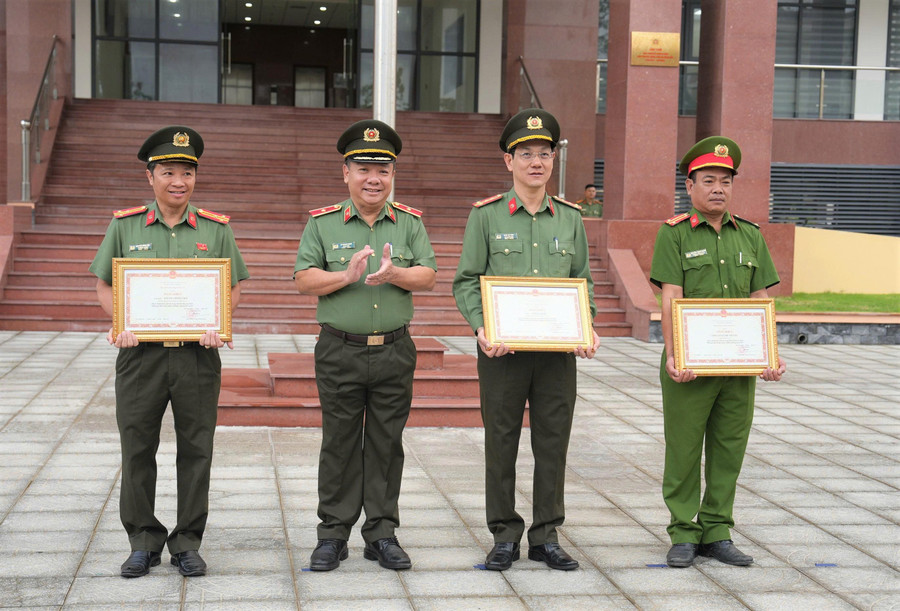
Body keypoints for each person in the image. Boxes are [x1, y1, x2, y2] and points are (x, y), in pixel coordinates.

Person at [89, 126, 250, 578]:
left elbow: (233, 288)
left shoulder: (216, 229)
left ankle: (187, 542)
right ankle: (143, 540)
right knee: (136, 448)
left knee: (197, 449)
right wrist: (121, 322)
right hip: (140, 357)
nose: (179, 181)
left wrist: (219, 323)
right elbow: (104, 285)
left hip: (197, 357)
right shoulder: (125, 226)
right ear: (150, 176)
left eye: (187, 173)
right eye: (168, 172)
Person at [453, 108, 601, 572]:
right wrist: (482, 327)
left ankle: (546, 536)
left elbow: (583, 281)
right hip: (503, 353)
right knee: (501, 443)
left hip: (557, 355)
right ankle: (503, 534)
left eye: (544, 154)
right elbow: (466, 280)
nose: (536, 162)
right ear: (508, 161)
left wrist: (587, 324)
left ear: (553, 160)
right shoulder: (486, 216)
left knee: (553, 444)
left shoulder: (570, 218)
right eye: (526, 154)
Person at [294, 119, 437, 572]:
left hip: (394, 349)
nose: (374, 179)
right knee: (339, 442)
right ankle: (333, 535)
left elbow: (428, 276)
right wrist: (346, 276)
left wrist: (396, 274)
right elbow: (304, 279)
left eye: (383, 170)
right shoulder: (322, 223)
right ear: (346, 173)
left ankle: (381, 534)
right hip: (340, 350)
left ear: (392, 174)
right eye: (364, 169)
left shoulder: (409, 223)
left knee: (386, 443)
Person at [649, 136, 786, 569]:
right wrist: (674, 355)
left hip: (738, 365)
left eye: (725, 181)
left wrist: (769, 354)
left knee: (729, 449)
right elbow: (670, 297)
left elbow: (761, 298)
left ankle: (717, 530)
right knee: (684, 448)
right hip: (689, 364)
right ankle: (683, 531)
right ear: (690, 186)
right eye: (708, 180)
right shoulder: (673, 234)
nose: (718, 189)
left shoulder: (750, 235)